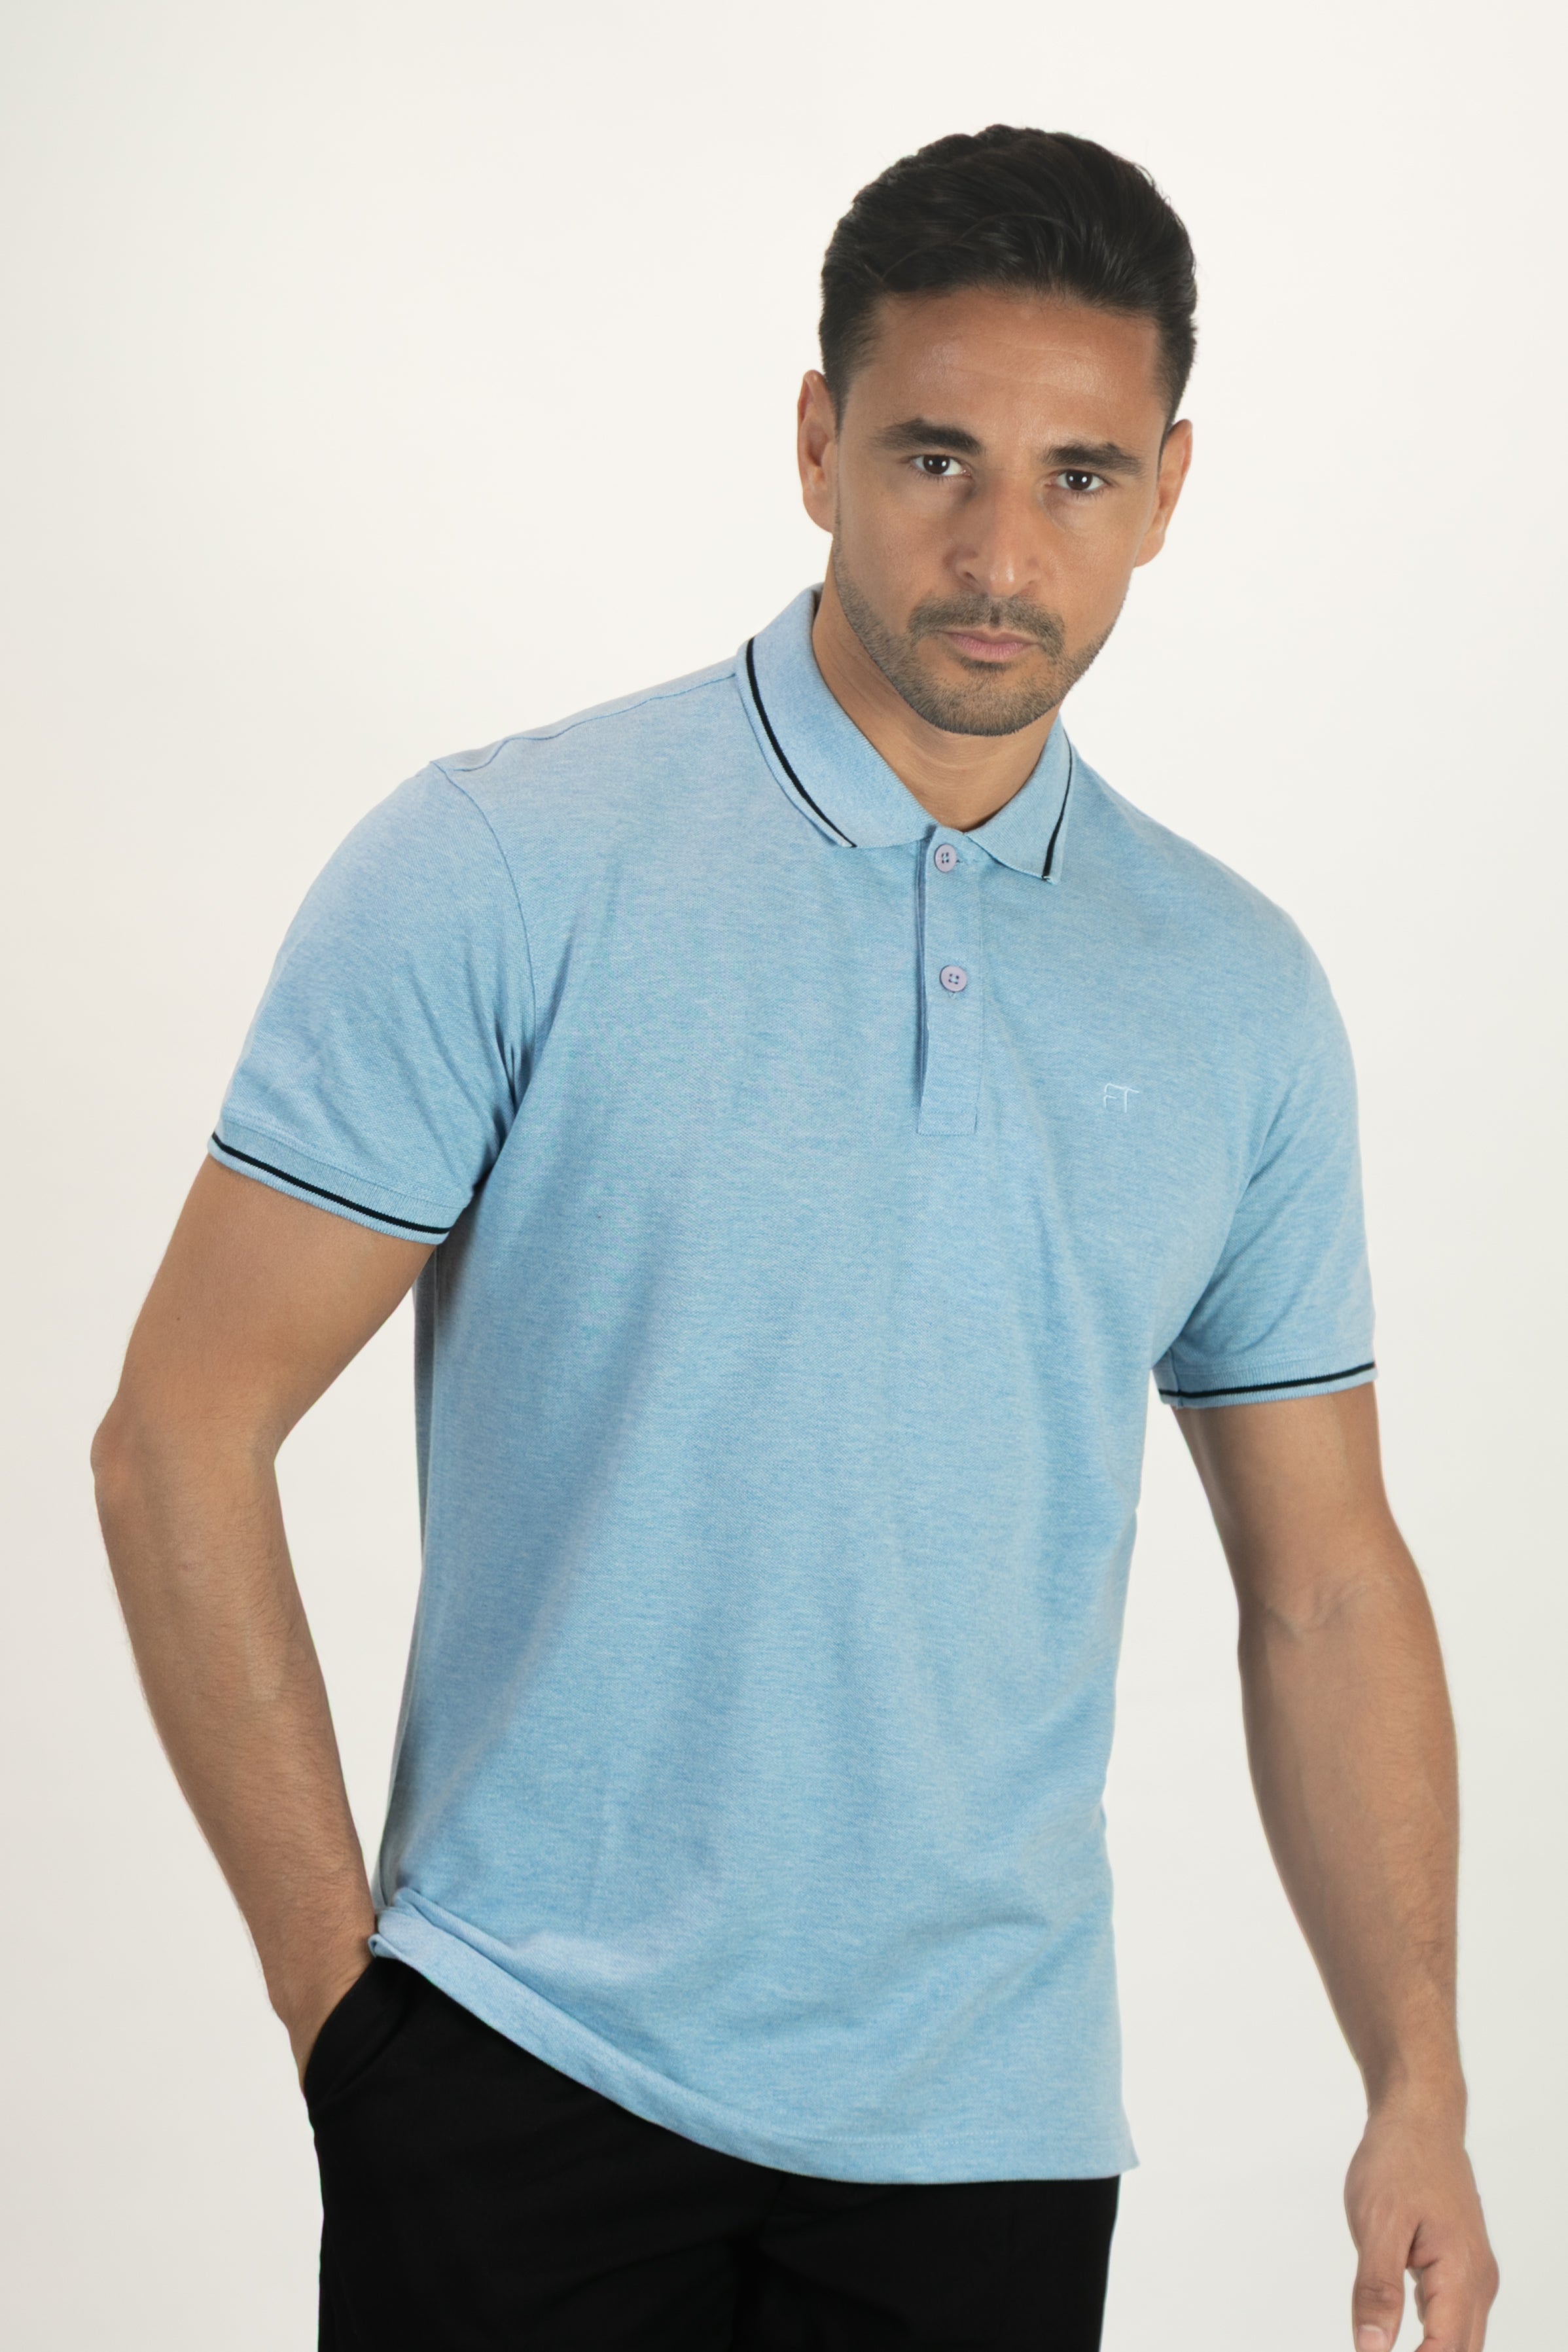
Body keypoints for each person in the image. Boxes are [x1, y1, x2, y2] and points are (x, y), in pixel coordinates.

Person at [92, 126, 1498, 2351]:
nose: (999, 551)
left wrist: (1414, 2075)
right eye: (936, 456)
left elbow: (1322, 1578)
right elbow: (179, 1432)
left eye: (1078, 475)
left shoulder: (1236, 993)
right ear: (817, 438)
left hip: (991, 2137)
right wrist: (344, 2017)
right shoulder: (508, 860)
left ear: (1167, 487)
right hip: (517, 2073)